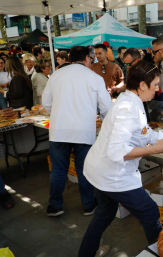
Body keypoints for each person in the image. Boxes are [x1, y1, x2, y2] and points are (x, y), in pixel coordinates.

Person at [78, 61, 163, 257]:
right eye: (155, 84)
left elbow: (143, 132)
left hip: (99, 169)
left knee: (104, 213)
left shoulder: (133, 100)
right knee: (150, 212)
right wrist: (152, 150)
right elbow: (117, 151)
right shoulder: (127, 107)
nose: (158, 89)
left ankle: (86, 252)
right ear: (142, 85)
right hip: (112, 174)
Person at [42, 46, 112, 217]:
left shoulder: (56, 75)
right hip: (83, 131)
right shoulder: (94, 77)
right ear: (87, 59)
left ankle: (55, 206)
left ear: (70, 58)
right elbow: (106, 108)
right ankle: (88, 205)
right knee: (83, 169)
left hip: (59, 130)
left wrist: (59, 114)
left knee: (58, 170)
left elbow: (45, 102)